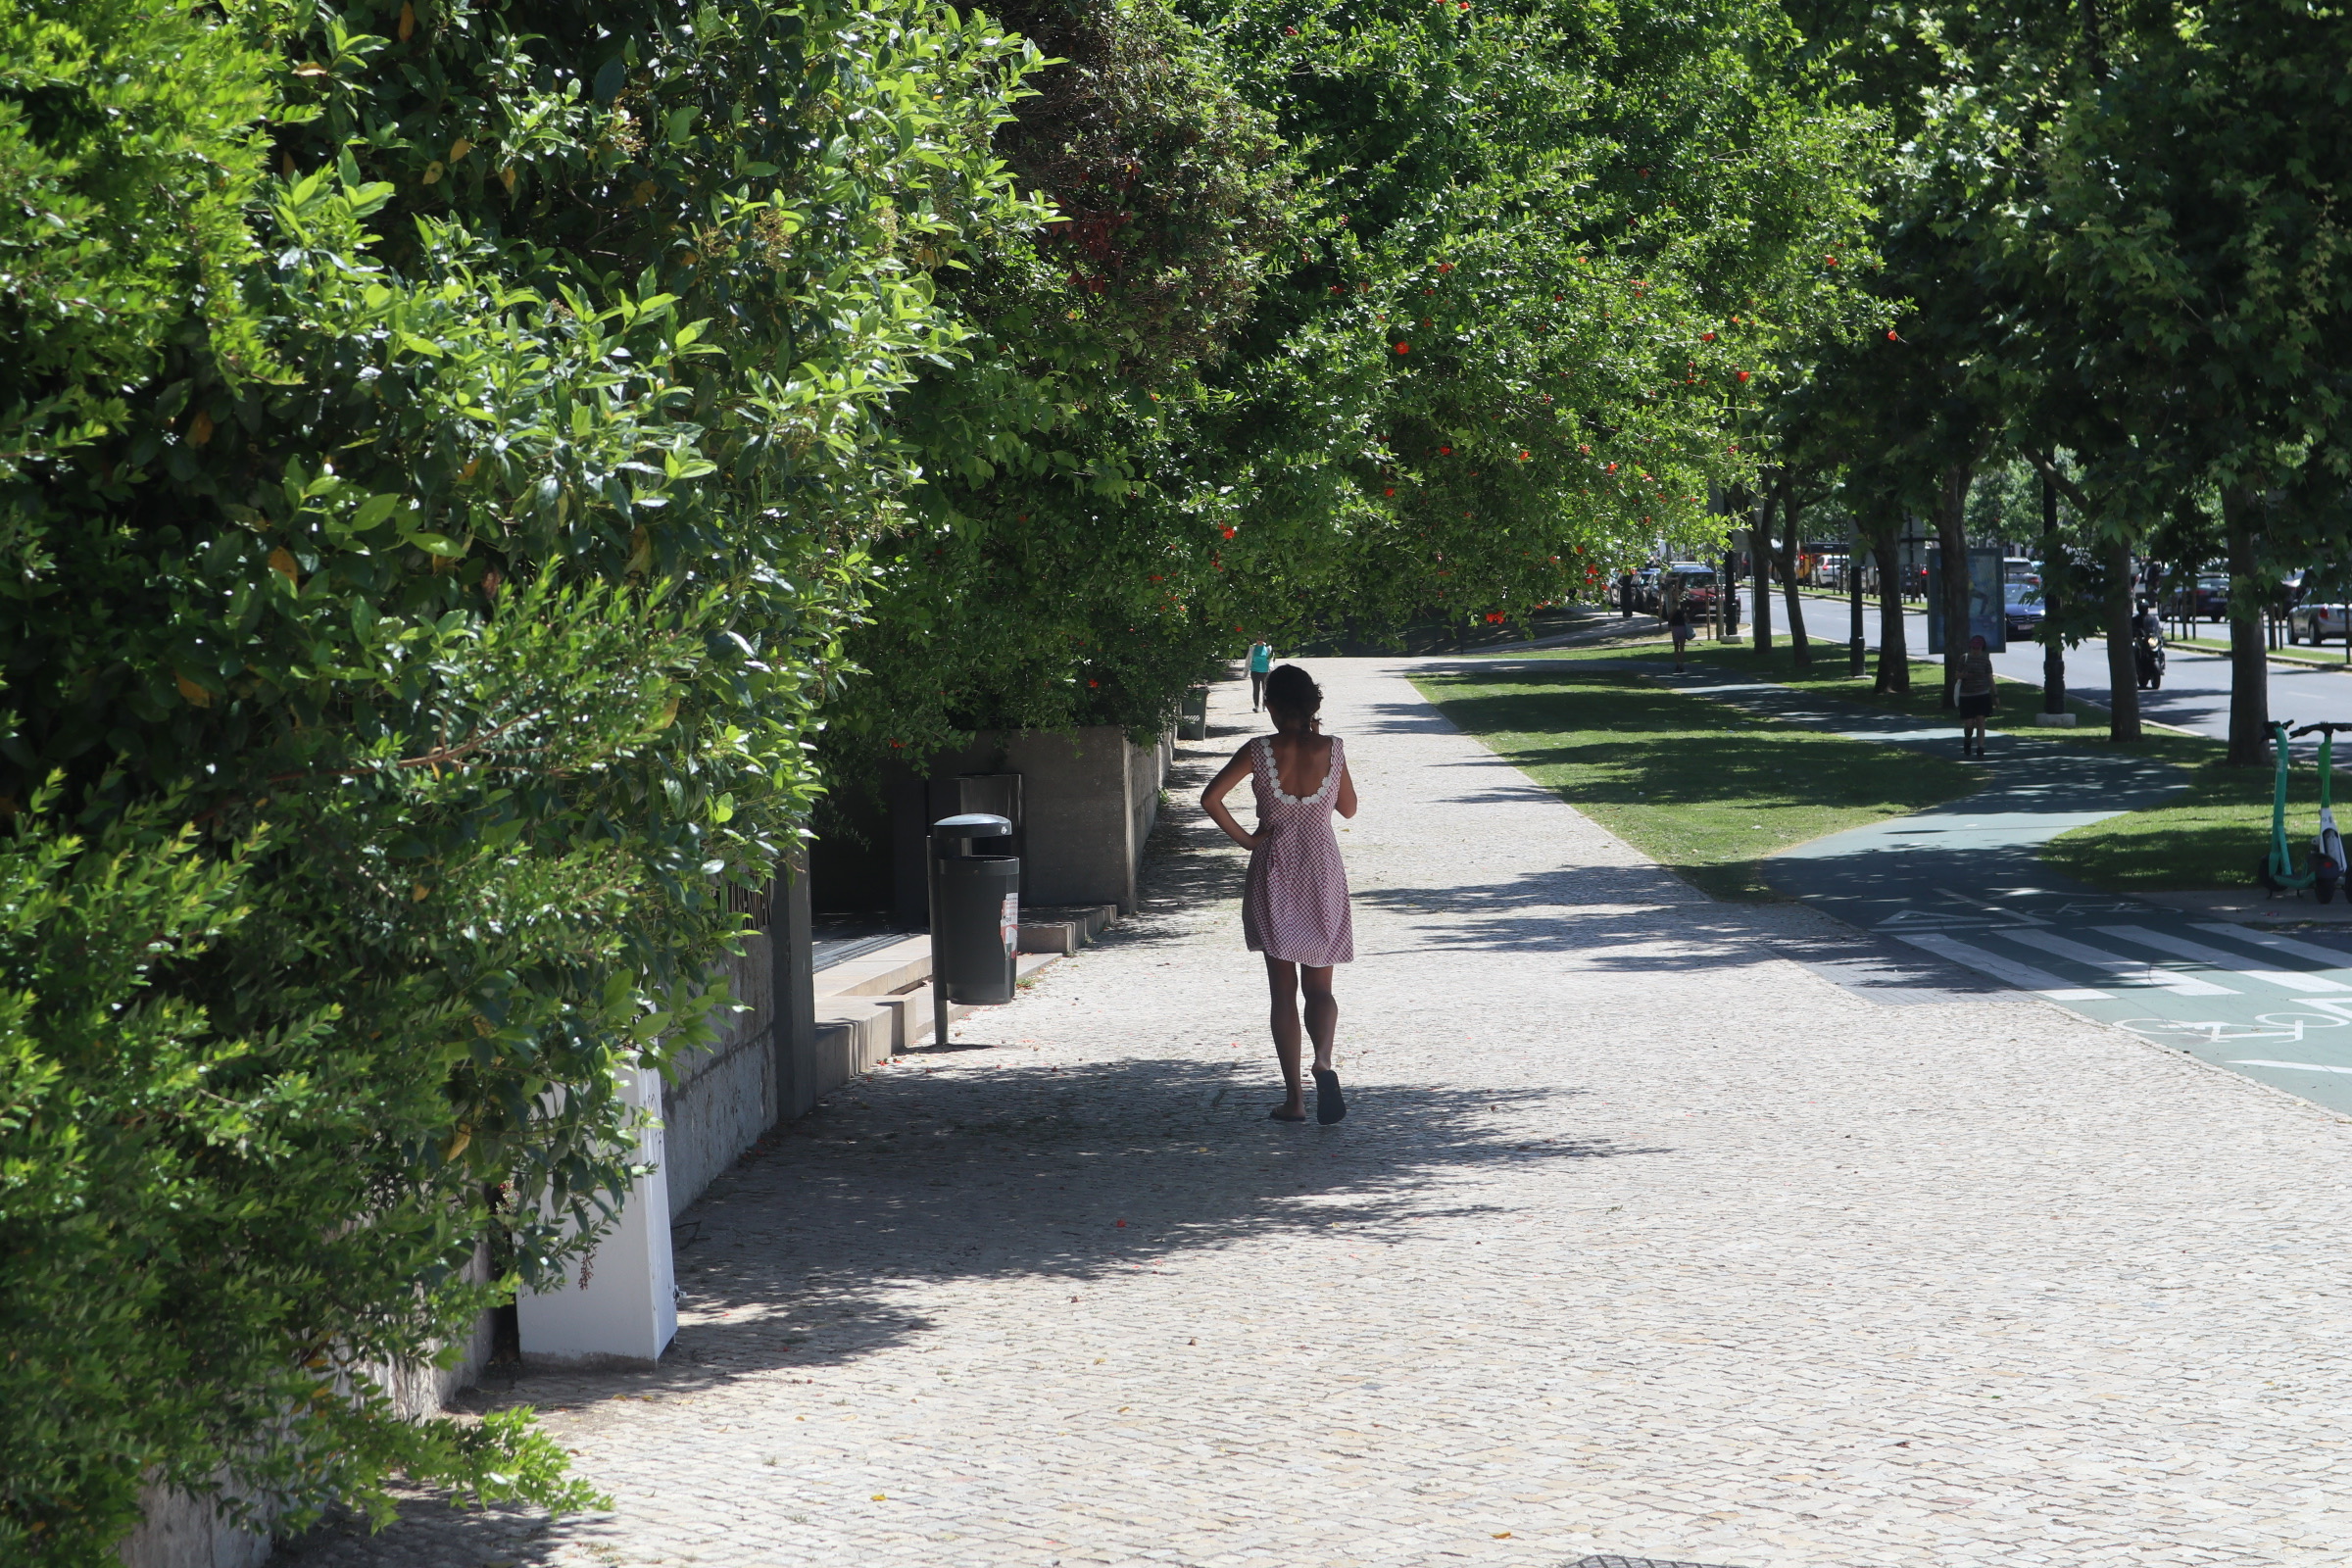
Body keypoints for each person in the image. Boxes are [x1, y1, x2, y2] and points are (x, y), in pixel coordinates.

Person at [1200, 664, 1357, 1124]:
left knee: (1283, 992)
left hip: (1275, 868)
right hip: (1322, 869)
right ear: (1313, 706)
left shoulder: (1258, 750)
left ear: (1270, 705)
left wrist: (1249, 840)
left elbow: (1211, 798)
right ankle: (1324, 1060)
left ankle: (1295, 1101)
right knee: (1320, 987)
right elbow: (1347, 809)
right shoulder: (1334, 749)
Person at [1957, 633, 1996, 757]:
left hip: (1982, 694)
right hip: (1966, 695)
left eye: (1977, 648)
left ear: (1982, 648)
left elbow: (1990, 678)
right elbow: (1956, 674)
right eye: (1973, 648)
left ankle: (1980, 748)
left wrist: (1996, 695)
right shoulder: (1964, 658)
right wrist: (1964, 675)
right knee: (1969, 724)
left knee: (1980, 720)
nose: (1975, 650)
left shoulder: (1985, 660)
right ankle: (1967, 739)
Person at [1247, 638, 1274, 710]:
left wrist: (1271, 667)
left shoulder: (1268, 648)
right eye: (1258, 639)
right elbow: (1248, 659)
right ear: (1256, 640)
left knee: (1264, 689)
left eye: (1261, 639)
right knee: (1256, 688)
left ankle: (1264, 704)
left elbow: (1271, 658)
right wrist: (1246, 671)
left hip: (1265, 671)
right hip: (1255, 671)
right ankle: (1256, 706)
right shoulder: (1252, 648)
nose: (1260, 641)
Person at [1666, 600, 1691, 672]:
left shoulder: (1671, 613)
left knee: (1676, 647)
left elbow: (1669, 620)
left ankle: (1678, 663)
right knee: (1682, 648)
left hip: (1675, 629)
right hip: (1682, 629)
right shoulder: (1682, 612)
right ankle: (1682, 664)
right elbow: (1687, 620)